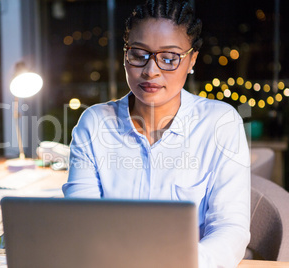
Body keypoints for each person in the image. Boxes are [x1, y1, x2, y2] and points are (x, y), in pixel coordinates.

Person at [62, 1, 250, 267]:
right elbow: (82, 221)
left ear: (191, 60)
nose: (151, 71)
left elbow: (230, 228)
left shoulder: (220, 123)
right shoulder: (94, 124)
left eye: (169, 58)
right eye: (139, 54)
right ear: (125, 55)